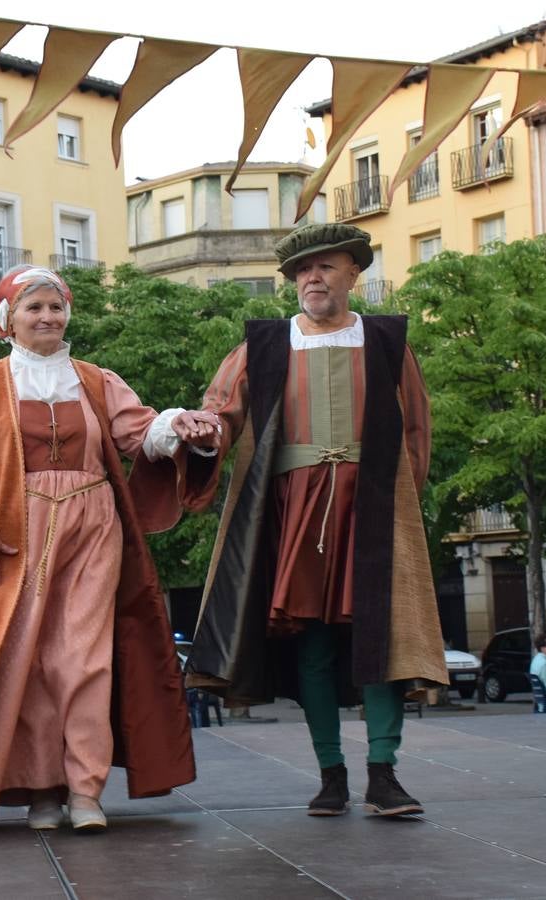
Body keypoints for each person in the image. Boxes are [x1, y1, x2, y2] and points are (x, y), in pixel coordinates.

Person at [0, 265, 201, 832]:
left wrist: (183, 426)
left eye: (55, 307)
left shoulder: (95, 379)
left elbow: (141, 432)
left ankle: (85, 790)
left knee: (83, 659)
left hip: (93, 527)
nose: (47, 317)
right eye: (33, 308)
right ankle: (41, 790)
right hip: (15, 531)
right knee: (26, 659)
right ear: (9, 320)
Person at [181, 223, 448, 818]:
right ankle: (331, 773)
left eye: (325, 267)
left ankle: (384, 773)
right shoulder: (263, 346)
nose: (312, 279)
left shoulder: (387, 342)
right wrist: (202, 436)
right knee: (315, 640)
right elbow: (220, 415)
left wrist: (400, 505)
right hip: (291, 509)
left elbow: (416, 431)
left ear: (354, 274)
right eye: (302, 271)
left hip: (373, 505)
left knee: (382, 637)